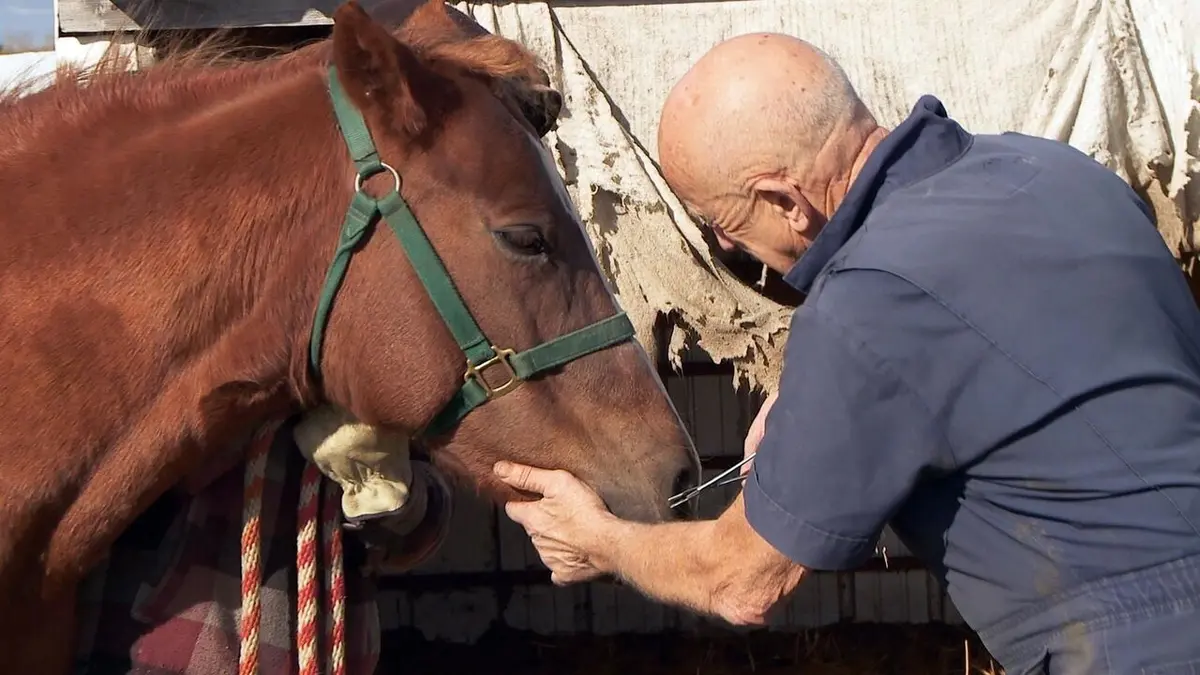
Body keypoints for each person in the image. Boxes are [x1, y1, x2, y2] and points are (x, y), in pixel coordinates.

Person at [493, 32, 1200, 675]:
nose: (731, 250)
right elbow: (1030, 360)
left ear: (786, 201)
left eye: (723, 225)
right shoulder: (1060, 171)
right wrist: (840, 401)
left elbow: (742, 578)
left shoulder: (867, 301)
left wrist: (601, 538)